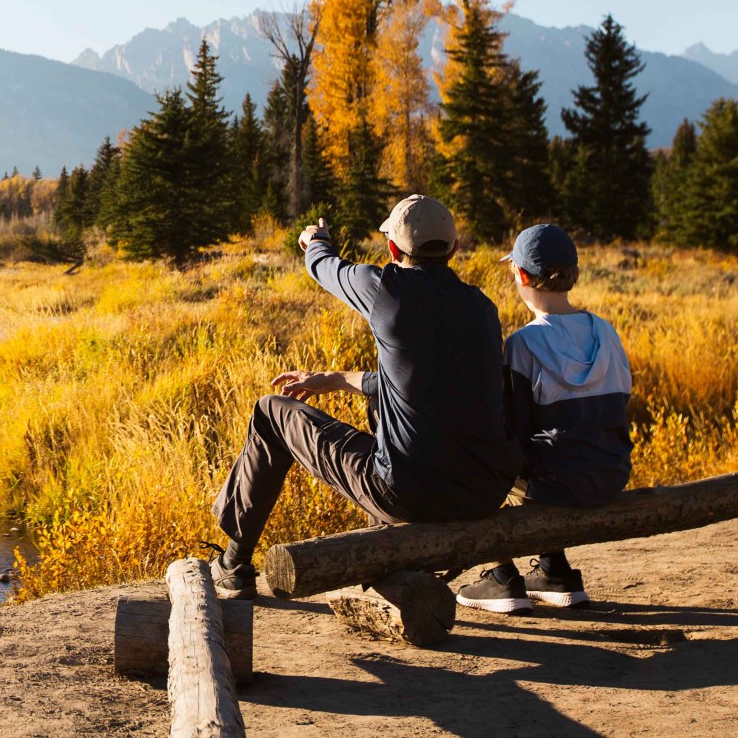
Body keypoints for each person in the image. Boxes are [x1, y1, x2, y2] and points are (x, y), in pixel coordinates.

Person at [210, 194, 522, 600]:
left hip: (408, 494)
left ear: (392, 249)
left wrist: (315, 240)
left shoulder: (386, 289)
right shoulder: (482, 307)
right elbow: (422, 381)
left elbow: (323, 267)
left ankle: (234, 563)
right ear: (454, 248)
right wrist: (337, 380)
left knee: (270, 412)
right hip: (483, 492)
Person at [456, 223, 633, 612]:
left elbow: (511, 433)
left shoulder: (524, 344)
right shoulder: (606, 332)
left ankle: (501, 576)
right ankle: (555, 571)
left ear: (520, 276)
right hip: (611, 474)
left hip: (558, 486)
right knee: (561, 449)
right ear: (573, 274)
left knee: (487, 466)